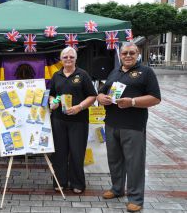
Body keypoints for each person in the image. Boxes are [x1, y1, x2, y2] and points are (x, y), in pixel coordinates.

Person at [97, 42, 161, 212]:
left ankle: (136, 198)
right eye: (124, 53)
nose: (128, 56)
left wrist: (132, 102)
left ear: (138, 54)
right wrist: (101, 97)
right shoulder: (114, 72)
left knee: (134, 163)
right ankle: (117, 189)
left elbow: (155, 98)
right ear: (120, 54)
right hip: (111, 123)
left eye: (131, 53)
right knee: (115, 160)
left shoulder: (146, 72)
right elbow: (103, 91)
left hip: (133, 126)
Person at [49, 46, 97, 194]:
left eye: (71, 57)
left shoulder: (83, 75)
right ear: (61, 59)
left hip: (79, 120)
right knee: (59, 153)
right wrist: (53, 102)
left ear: (76, 59)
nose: (68, 59)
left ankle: (77, 183)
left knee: (77, 152)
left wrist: (79, 107)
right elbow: (52, 94)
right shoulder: (56, 76)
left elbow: (92, 96)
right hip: (58, 120)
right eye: (65, 57)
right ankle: (60, 182)